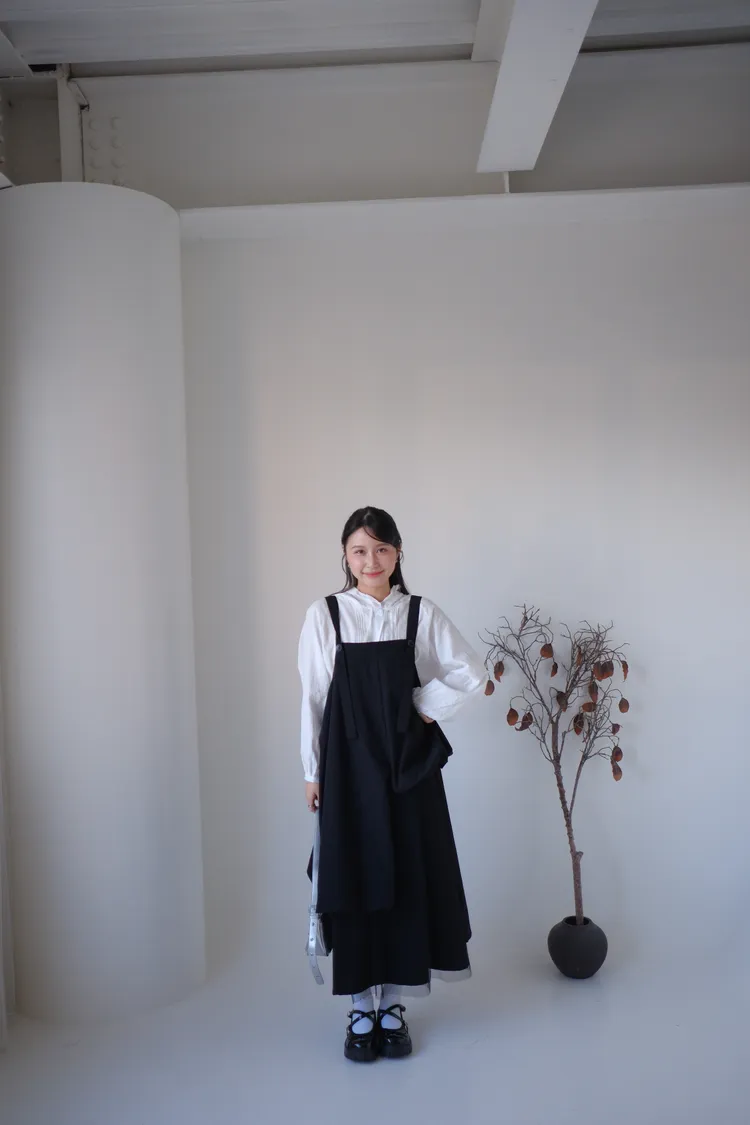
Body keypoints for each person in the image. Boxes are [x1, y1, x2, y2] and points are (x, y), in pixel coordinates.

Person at [298, 506, 487, 1062]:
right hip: (347, 768)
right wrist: (312, 771)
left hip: (407, 768)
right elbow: (313, 698)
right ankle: (361, 1005)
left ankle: (394, 1007)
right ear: (345, 556)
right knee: (355, 874)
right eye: (360, 550)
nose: (371, 560)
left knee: (406, 873)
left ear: (398, 552)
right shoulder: (326, 615)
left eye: (381, 548)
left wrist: (422, 708)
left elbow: (472, 673)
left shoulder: (419, 614)